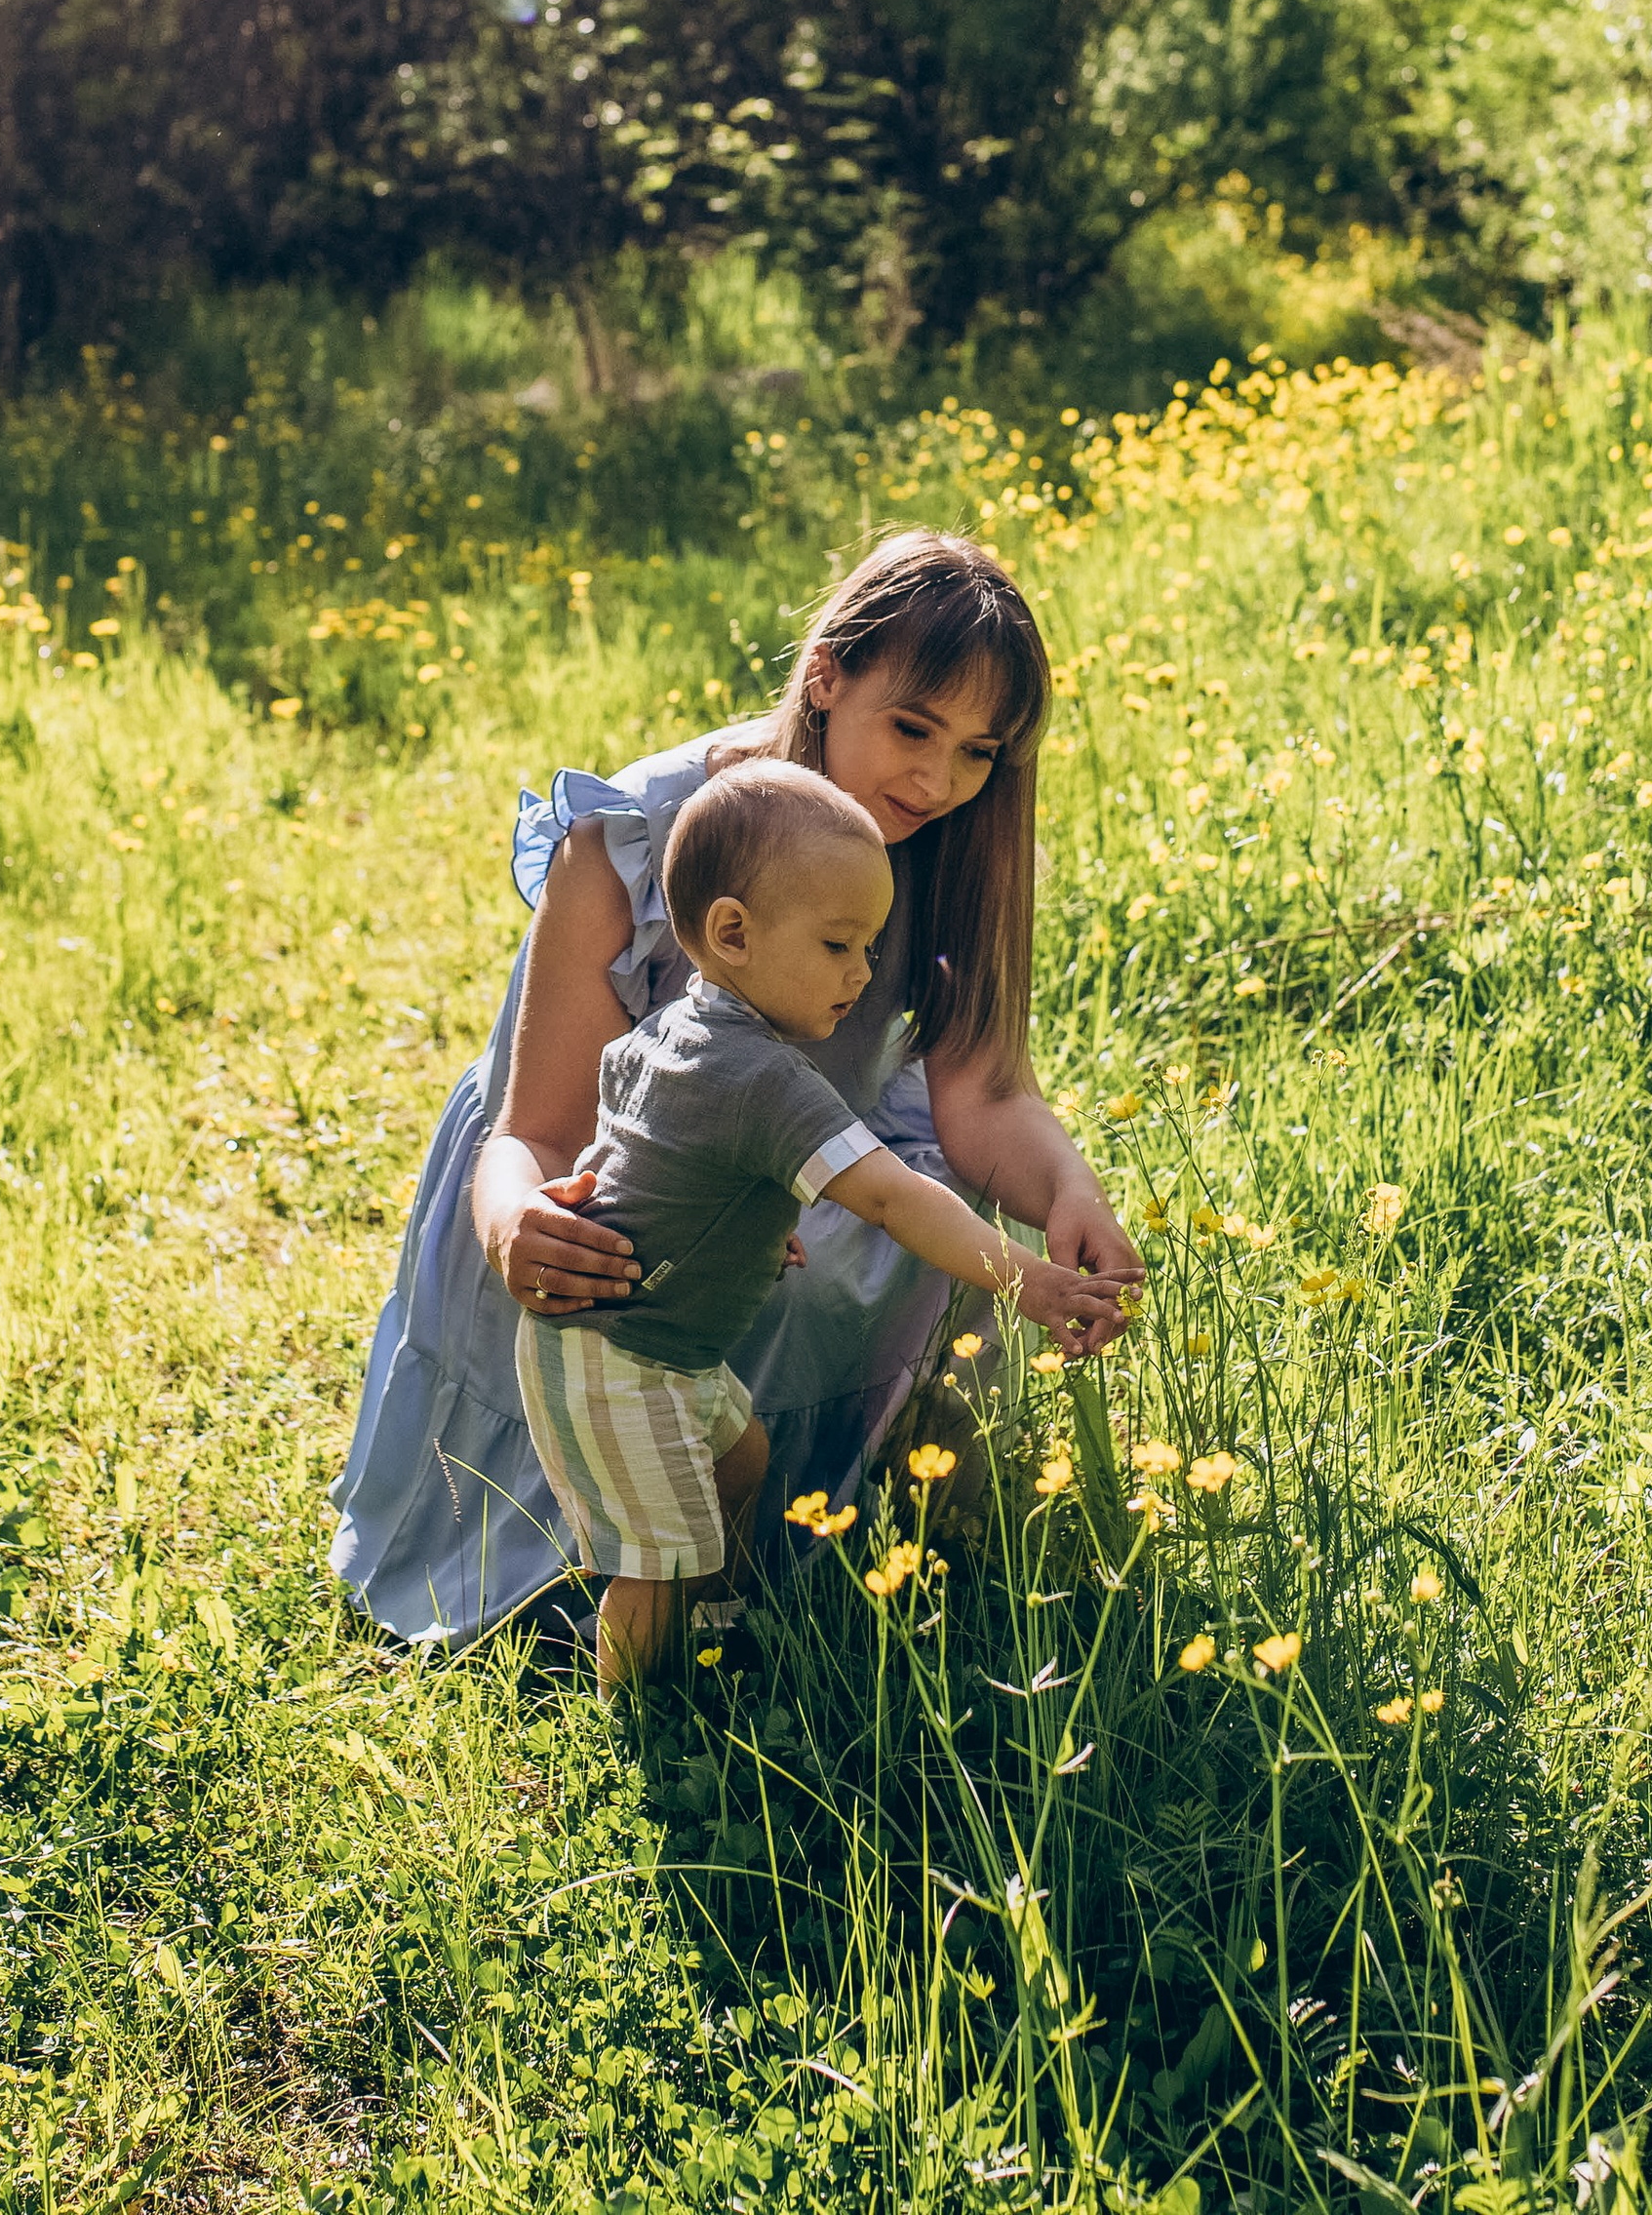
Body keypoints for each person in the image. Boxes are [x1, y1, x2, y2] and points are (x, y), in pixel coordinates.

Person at [329, 528, 1143, 1644]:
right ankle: (632, 1571)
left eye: (976, 754)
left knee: (932, 1209)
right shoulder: (641, 834)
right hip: (609, 1183)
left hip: (802, 1152)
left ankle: (818, 1526)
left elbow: (984, 1091)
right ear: (826, 675)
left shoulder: (953, 845)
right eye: (911, 728)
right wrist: (516, 1223)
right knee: (634, 1321)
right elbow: (534, 1125)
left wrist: (1067, 1195)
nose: (935, 781)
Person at [520, 755, 1128, 1686]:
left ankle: (728, 1626)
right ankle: (644, 1723)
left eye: (874, 947)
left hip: (656, 1345)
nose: (865, 975)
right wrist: (1029, 1278)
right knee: (657, 1564)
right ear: (733, 933)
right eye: (840, 946)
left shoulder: (677, 1031)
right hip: (620, 1356)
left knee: (742, 1458)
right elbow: (891, 1197)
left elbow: (638, 1149)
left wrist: (734, 1221)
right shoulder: (763, 1077)